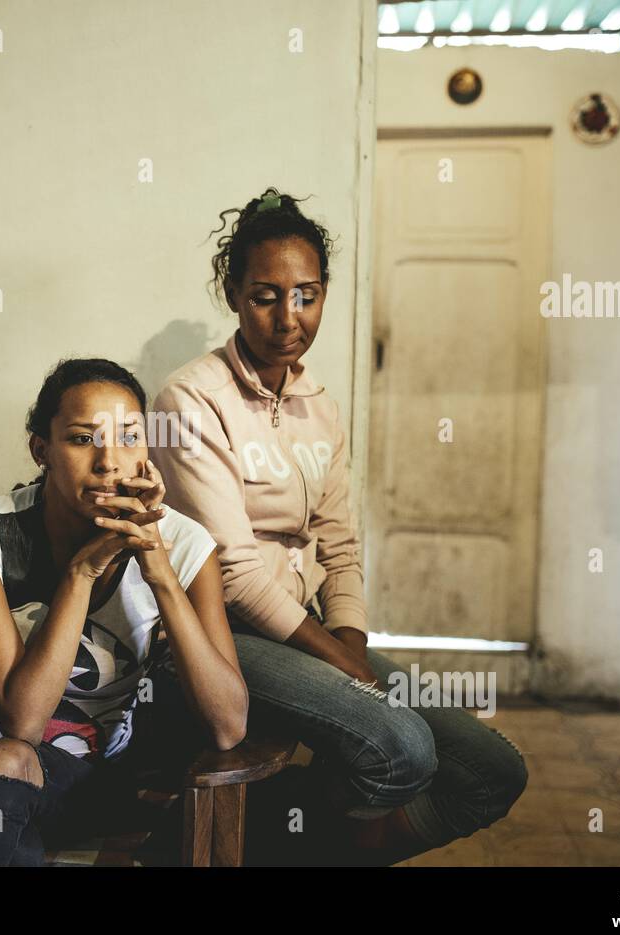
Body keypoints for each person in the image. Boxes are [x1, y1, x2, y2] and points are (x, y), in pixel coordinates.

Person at [151, 187, 528, 865]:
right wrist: (349, 669)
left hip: (306, 629)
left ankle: (292, 847)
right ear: (233, 293)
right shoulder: (188, 400)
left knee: (490, 768)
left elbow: (341, 545)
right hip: (215, 632)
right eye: (266, 294)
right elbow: (233, 574)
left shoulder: (319, 407)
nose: (289, 317)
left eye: (308, 294)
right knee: (402, 747)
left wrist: (350, 645)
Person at [0, 358, 248, 866]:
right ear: (43, 451)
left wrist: (159, 569)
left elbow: (228, 727)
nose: (109, 462)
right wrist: (83, 572)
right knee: (4, 763)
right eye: (83, 439)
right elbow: (23, 723)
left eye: (128, 437)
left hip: (81, 783)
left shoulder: (186, 546)